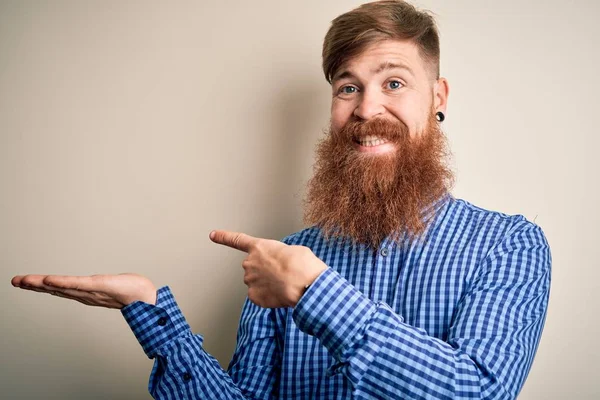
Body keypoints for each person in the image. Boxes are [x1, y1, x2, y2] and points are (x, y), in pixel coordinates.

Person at [11, 1, 551, 399]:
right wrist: (152, 315)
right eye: (347, 87)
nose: (366, 109)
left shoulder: (509, 246)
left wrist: (314, 292)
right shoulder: (281, 260)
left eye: (393, 83)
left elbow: (477, 391)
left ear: (438, 98)